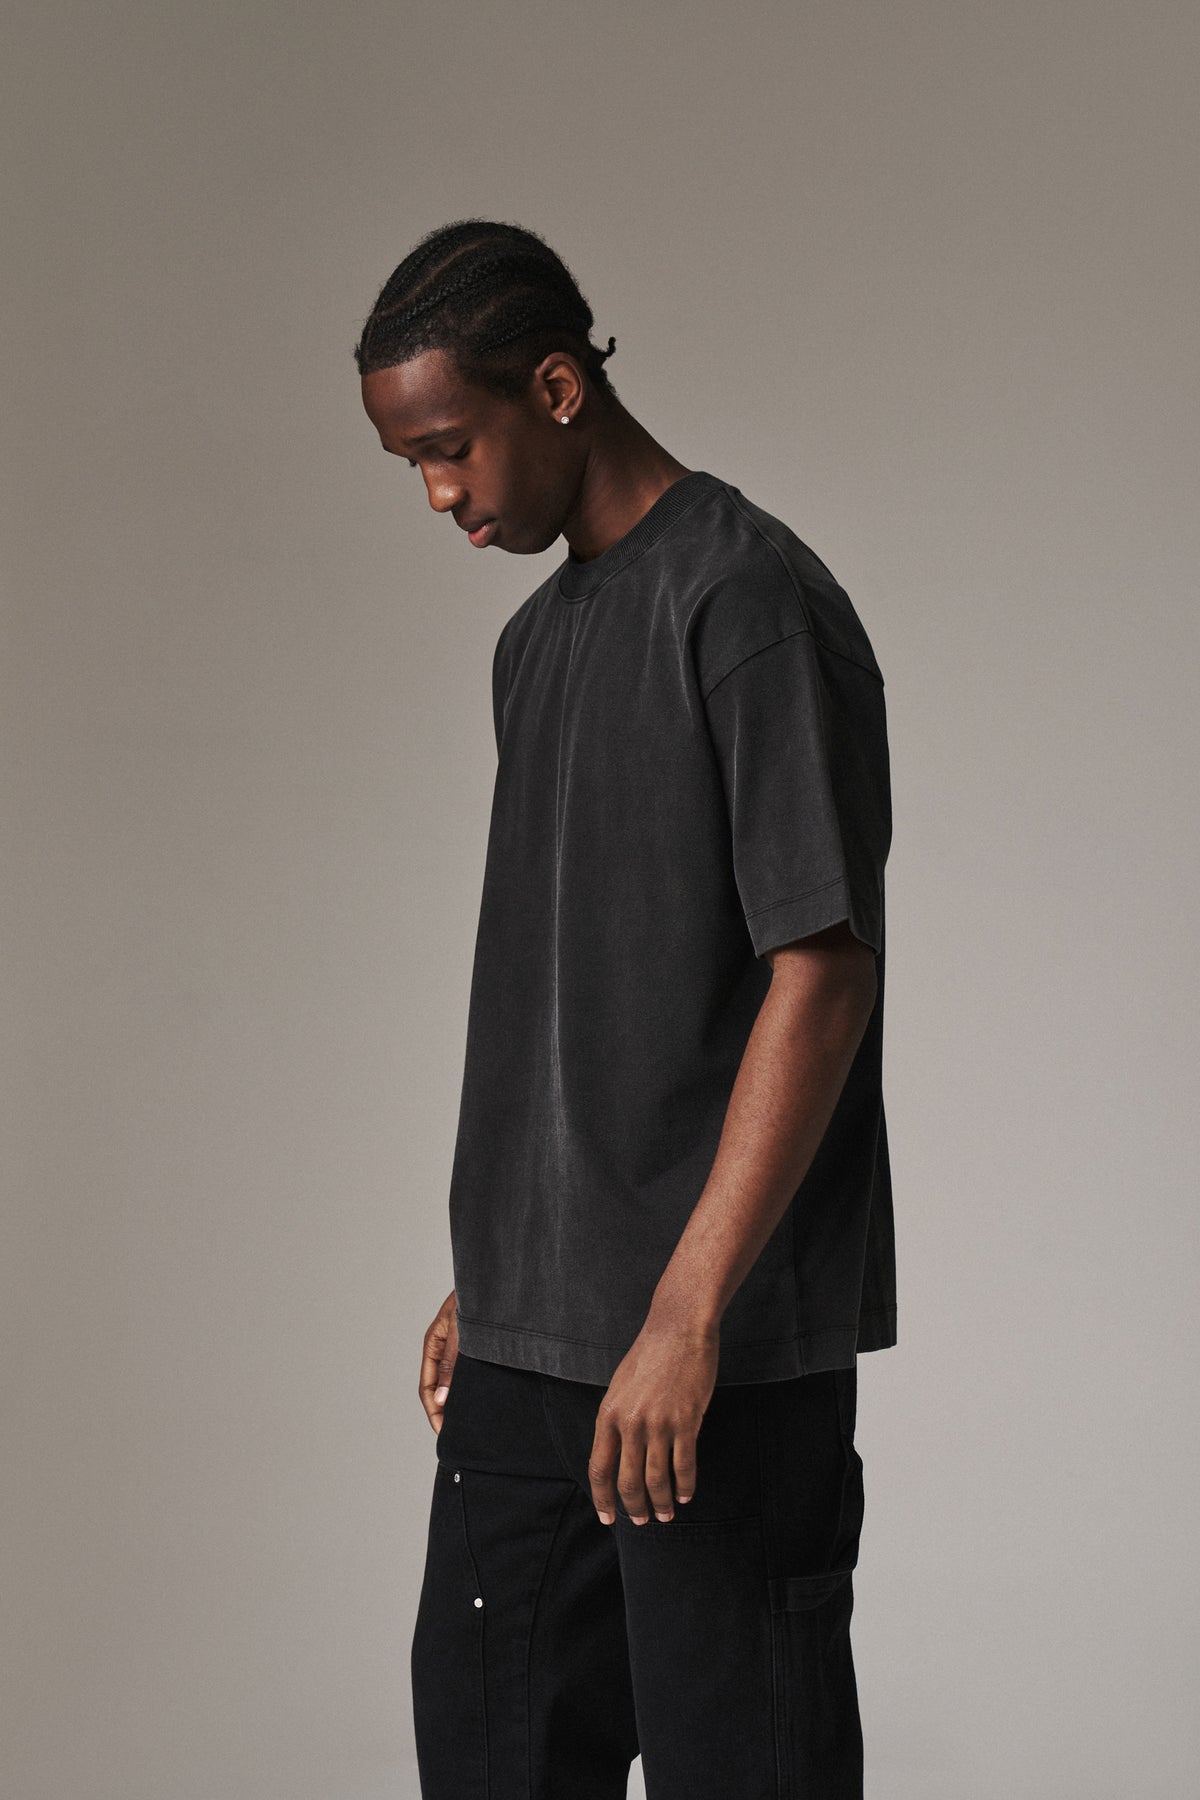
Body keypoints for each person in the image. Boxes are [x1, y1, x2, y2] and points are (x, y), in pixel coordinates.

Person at [355, 218, 896, 1800]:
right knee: (494, 1762)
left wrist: (683, 1315)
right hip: (529, 1360)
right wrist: (503, 1267)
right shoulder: (534, 647)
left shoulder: (747, 602)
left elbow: (822, 968)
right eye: (411, 466)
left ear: (555, 387)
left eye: (449, 449)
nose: (440, 496)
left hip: (712, 1362)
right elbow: (583, 976)